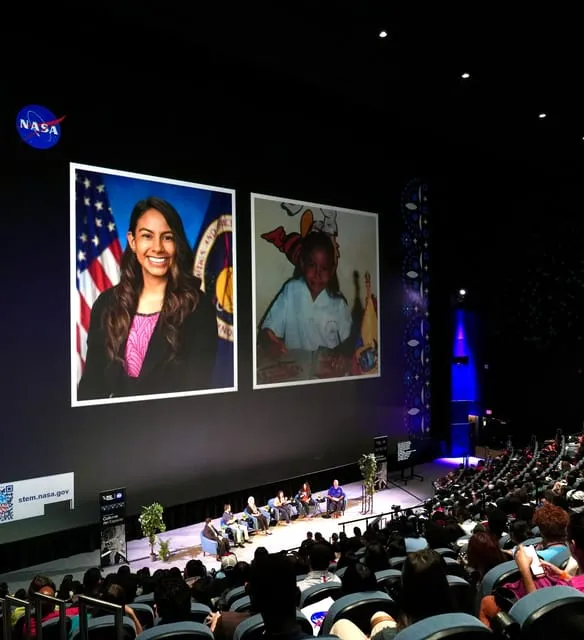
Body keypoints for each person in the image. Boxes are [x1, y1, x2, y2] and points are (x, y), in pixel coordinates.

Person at [78, 196, 218, 400]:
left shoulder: (198, 307)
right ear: (133, 241)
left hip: (171, 420)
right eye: (147, 236)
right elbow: (92, 386)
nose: (158, 247)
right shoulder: (107, 303)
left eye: (167, 237)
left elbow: (196, 392)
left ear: (177, 243)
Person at [258, 231, 352, 367]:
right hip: (295, 370)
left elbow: (350, 344)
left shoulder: (338, 304)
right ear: (303, 264)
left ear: (331, 271)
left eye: (324, 268)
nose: (317, 275)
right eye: (312, 265)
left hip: (326, 371)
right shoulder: (291, 291)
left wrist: (342, 354)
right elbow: (267, 332)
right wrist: (271, 343)